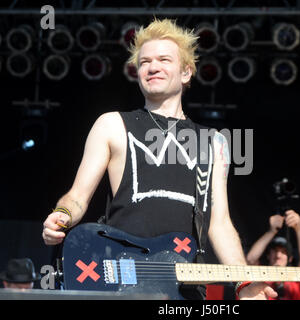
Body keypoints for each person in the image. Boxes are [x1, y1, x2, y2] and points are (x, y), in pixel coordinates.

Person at [42, 18, 277, 300]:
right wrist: (63, 216)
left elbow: (220, 223)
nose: (152, 67)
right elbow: (77, 197)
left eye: (164, 59)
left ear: (186, 72)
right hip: (123, 283)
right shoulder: (112, 125)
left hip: (184, 290)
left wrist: (243, 282)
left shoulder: (214, 142)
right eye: (144, 62)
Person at [246, 210, 300, 300]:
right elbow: (251, 260)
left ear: (290, 259)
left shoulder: (296, 281)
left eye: (283, 252)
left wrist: (299, 229)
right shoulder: (259, 277)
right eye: (275, 251)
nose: (278, 255)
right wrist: (271, 231)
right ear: (268, 255)